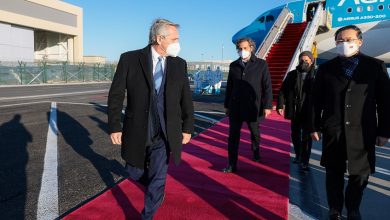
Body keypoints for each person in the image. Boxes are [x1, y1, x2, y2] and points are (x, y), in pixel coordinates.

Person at [107, 18, 194, 219]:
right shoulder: (130, 59)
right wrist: (114, 126)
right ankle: (154, 187)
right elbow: (116, 94)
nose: (177, 43)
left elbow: (185, 97)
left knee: (158, 175)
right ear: (159, 38)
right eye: (174, 39)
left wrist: (188, 127)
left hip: (165, 130)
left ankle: (147, 214)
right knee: (133, 170)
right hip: (138, 127)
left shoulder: (179, 64)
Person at [309, 25, 390, 220]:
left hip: (363, 131)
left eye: (349, 40)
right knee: (333, 172)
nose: (344, 44)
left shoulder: (375, 66)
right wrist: (313, 126)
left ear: (360, 41)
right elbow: (315, 100)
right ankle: (335, 208)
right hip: (334, 129)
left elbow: (385, 102)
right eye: (340, 41)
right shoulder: (326, 68)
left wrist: (384, 131)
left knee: (361, 174)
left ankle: (353, 207)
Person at [223, 37, 273, 173]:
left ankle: (256, 153)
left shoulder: (261, 64)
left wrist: (267, 106)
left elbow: (267, 86)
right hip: (236, 107)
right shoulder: (233, 65)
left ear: (251, 48)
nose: (242, 51)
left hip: (253, 107)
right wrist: (227, 105)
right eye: (239, 49)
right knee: (233, 136)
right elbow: (230, 87)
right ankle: (232, 164)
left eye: (245, 48)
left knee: (254, 132)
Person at [277, 51, 316, 171]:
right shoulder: (292, 74)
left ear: (311, 61)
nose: (303, 62)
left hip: (309, 110)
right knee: (295, 134)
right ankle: (298, 155)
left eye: (306, 60)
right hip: (295, 109)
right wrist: (280, 105)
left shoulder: (316, 74)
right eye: (301, 60)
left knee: (306, 136)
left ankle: (305, 160)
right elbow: (283, 90)